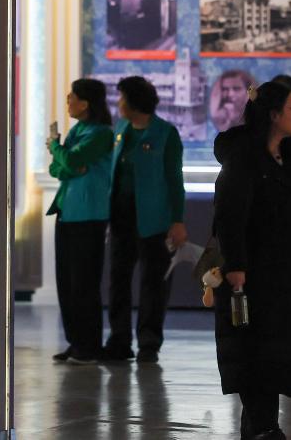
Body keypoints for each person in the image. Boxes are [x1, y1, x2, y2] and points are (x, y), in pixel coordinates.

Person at [213, 81, 291, 440]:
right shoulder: (244, 158)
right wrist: (236, 266)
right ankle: (262, 426)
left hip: (285, 273)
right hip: (254, 274)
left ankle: (264, 426)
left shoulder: (290, 159)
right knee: (255, 350)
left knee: (279, 350)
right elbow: (231, 216)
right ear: (274, 115)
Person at [103, 75, 187, 364]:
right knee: (118, 280)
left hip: (155, 219)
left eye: (123, 98)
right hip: (122, 216)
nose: (119, 103)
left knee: (154, 283)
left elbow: (175, 180)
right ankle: (119, 340)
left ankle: (149, 342)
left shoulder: (165, 133)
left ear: (136, 102)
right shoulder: (122, 129)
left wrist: (178, 220)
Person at [46, 78, 115, 365]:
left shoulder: (100, 134)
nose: (68, 101)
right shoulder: (78, 131)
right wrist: (65, 158)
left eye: (72, 97)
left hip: (89, 215)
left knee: (84, 282)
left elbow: (69, 162)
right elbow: (57, 170)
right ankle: (75, 342)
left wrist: (55, 146)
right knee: (66, 281)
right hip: (67, 212)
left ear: (85, 103)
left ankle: (88, 344)